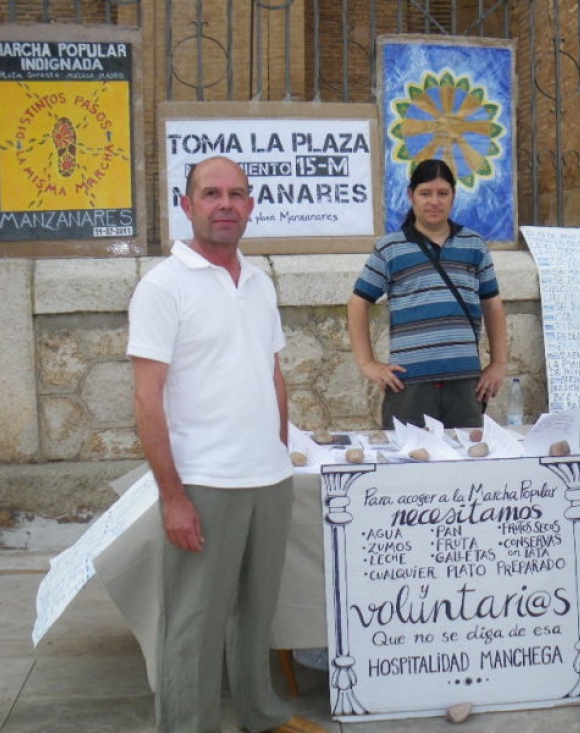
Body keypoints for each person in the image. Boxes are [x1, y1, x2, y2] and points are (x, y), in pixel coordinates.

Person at [126, 156, 325, 733]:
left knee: (256, 614)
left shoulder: (259, 282)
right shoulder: (163, 287)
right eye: (211, 193)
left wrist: (278, 450)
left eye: (237, 194)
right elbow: (147, 399)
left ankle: (260, 714)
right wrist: (173, 496)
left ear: (251, 205)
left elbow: (273, 373)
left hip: (267, 477)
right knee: (193, 622)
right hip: (204, 482)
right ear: (186, 206)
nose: (226, 204)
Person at [347, 158, 508, 429]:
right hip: (409, 387)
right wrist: (367, 363)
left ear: (453, 196)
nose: (434, 201)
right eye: (425, 193)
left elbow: (492, 304)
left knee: (466, 464)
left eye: (442, 193)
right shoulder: (391, 248)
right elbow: (357, 303)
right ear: (411, 195)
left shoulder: (474, 245)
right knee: (409, 465)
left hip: (466, 385)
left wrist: (499, 362)